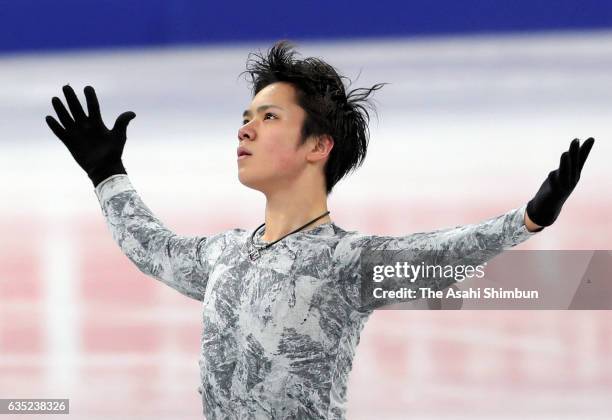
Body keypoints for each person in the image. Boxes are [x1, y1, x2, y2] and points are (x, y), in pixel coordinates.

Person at [45, 41, 594, 419]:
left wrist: (528, 219)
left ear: (317, 146)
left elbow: (440, 252)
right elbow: (155, 250)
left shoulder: (346, 262)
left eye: (268, 117)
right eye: (247, 115)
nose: (245, 127)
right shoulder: (224, 255)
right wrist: (107, 174)